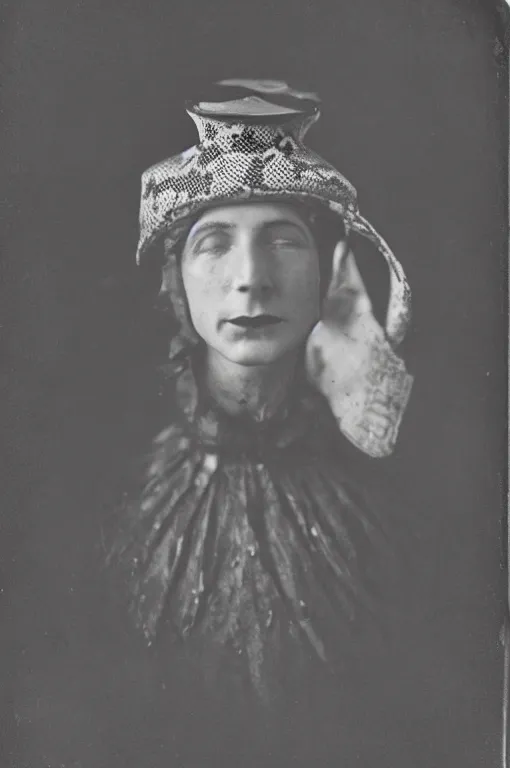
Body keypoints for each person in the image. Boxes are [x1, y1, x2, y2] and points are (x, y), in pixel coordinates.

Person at [107, 79, 416, 763]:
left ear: (329, 272)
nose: (251, 278)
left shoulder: (393, 509)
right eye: (214, 242)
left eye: (285, 241)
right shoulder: (112, 497)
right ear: (175, 280)